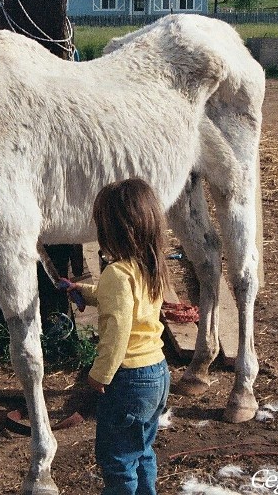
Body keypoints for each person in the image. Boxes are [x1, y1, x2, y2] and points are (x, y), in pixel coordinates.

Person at [61, 178, 171, 495]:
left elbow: (117, 333)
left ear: (112, 230)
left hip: (129, 380)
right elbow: (124, 303)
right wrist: (82, 291)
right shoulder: (150, 265)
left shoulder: (117, 274)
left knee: (117, 460)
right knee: (142, 452)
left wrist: (99, 375)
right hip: (157, 373)